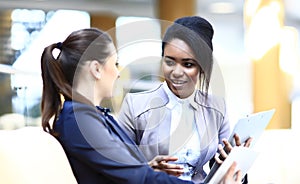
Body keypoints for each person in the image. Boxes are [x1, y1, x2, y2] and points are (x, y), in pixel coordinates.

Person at [40, 27, 243, 184]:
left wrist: (148, 167)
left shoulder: (89, 116)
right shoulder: (79, 119)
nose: (118, 72)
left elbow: (130, 171)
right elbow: (138, 177)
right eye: (115, 63)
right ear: (96, 69)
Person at [117, 16, 250, 184]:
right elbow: (117, 171)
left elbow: (223, 173)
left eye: (188, 65)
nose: (176, 72)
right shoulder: (135, 105)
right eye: (169, 61)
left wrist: (235, 161)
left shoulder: (216, 108)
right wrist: (149, 171)